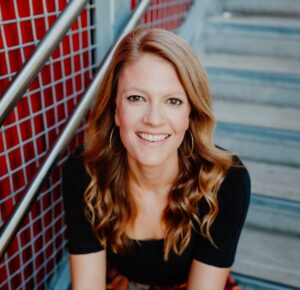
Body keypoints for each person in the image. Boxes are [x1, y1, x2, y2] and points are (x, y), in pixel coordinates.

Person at [62, 28, 251, 290]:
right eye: (136, 98)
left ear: (190, 115)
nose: (153, 119)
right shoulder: (85, 174)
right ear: (116, 110)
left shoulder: (226, 181)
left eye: (172, 101)